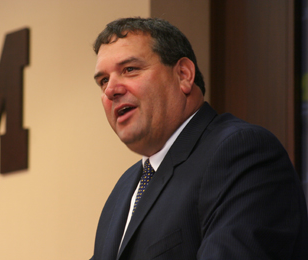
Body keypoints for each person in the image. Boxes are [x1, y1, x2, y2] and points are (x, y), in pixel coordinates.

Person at [90, 17, 308, 260]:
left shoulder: (242, 152)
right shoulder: (124, 189)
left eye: (130, 69)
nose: (111, 90)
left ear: (184, 75)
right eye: (103, 81)